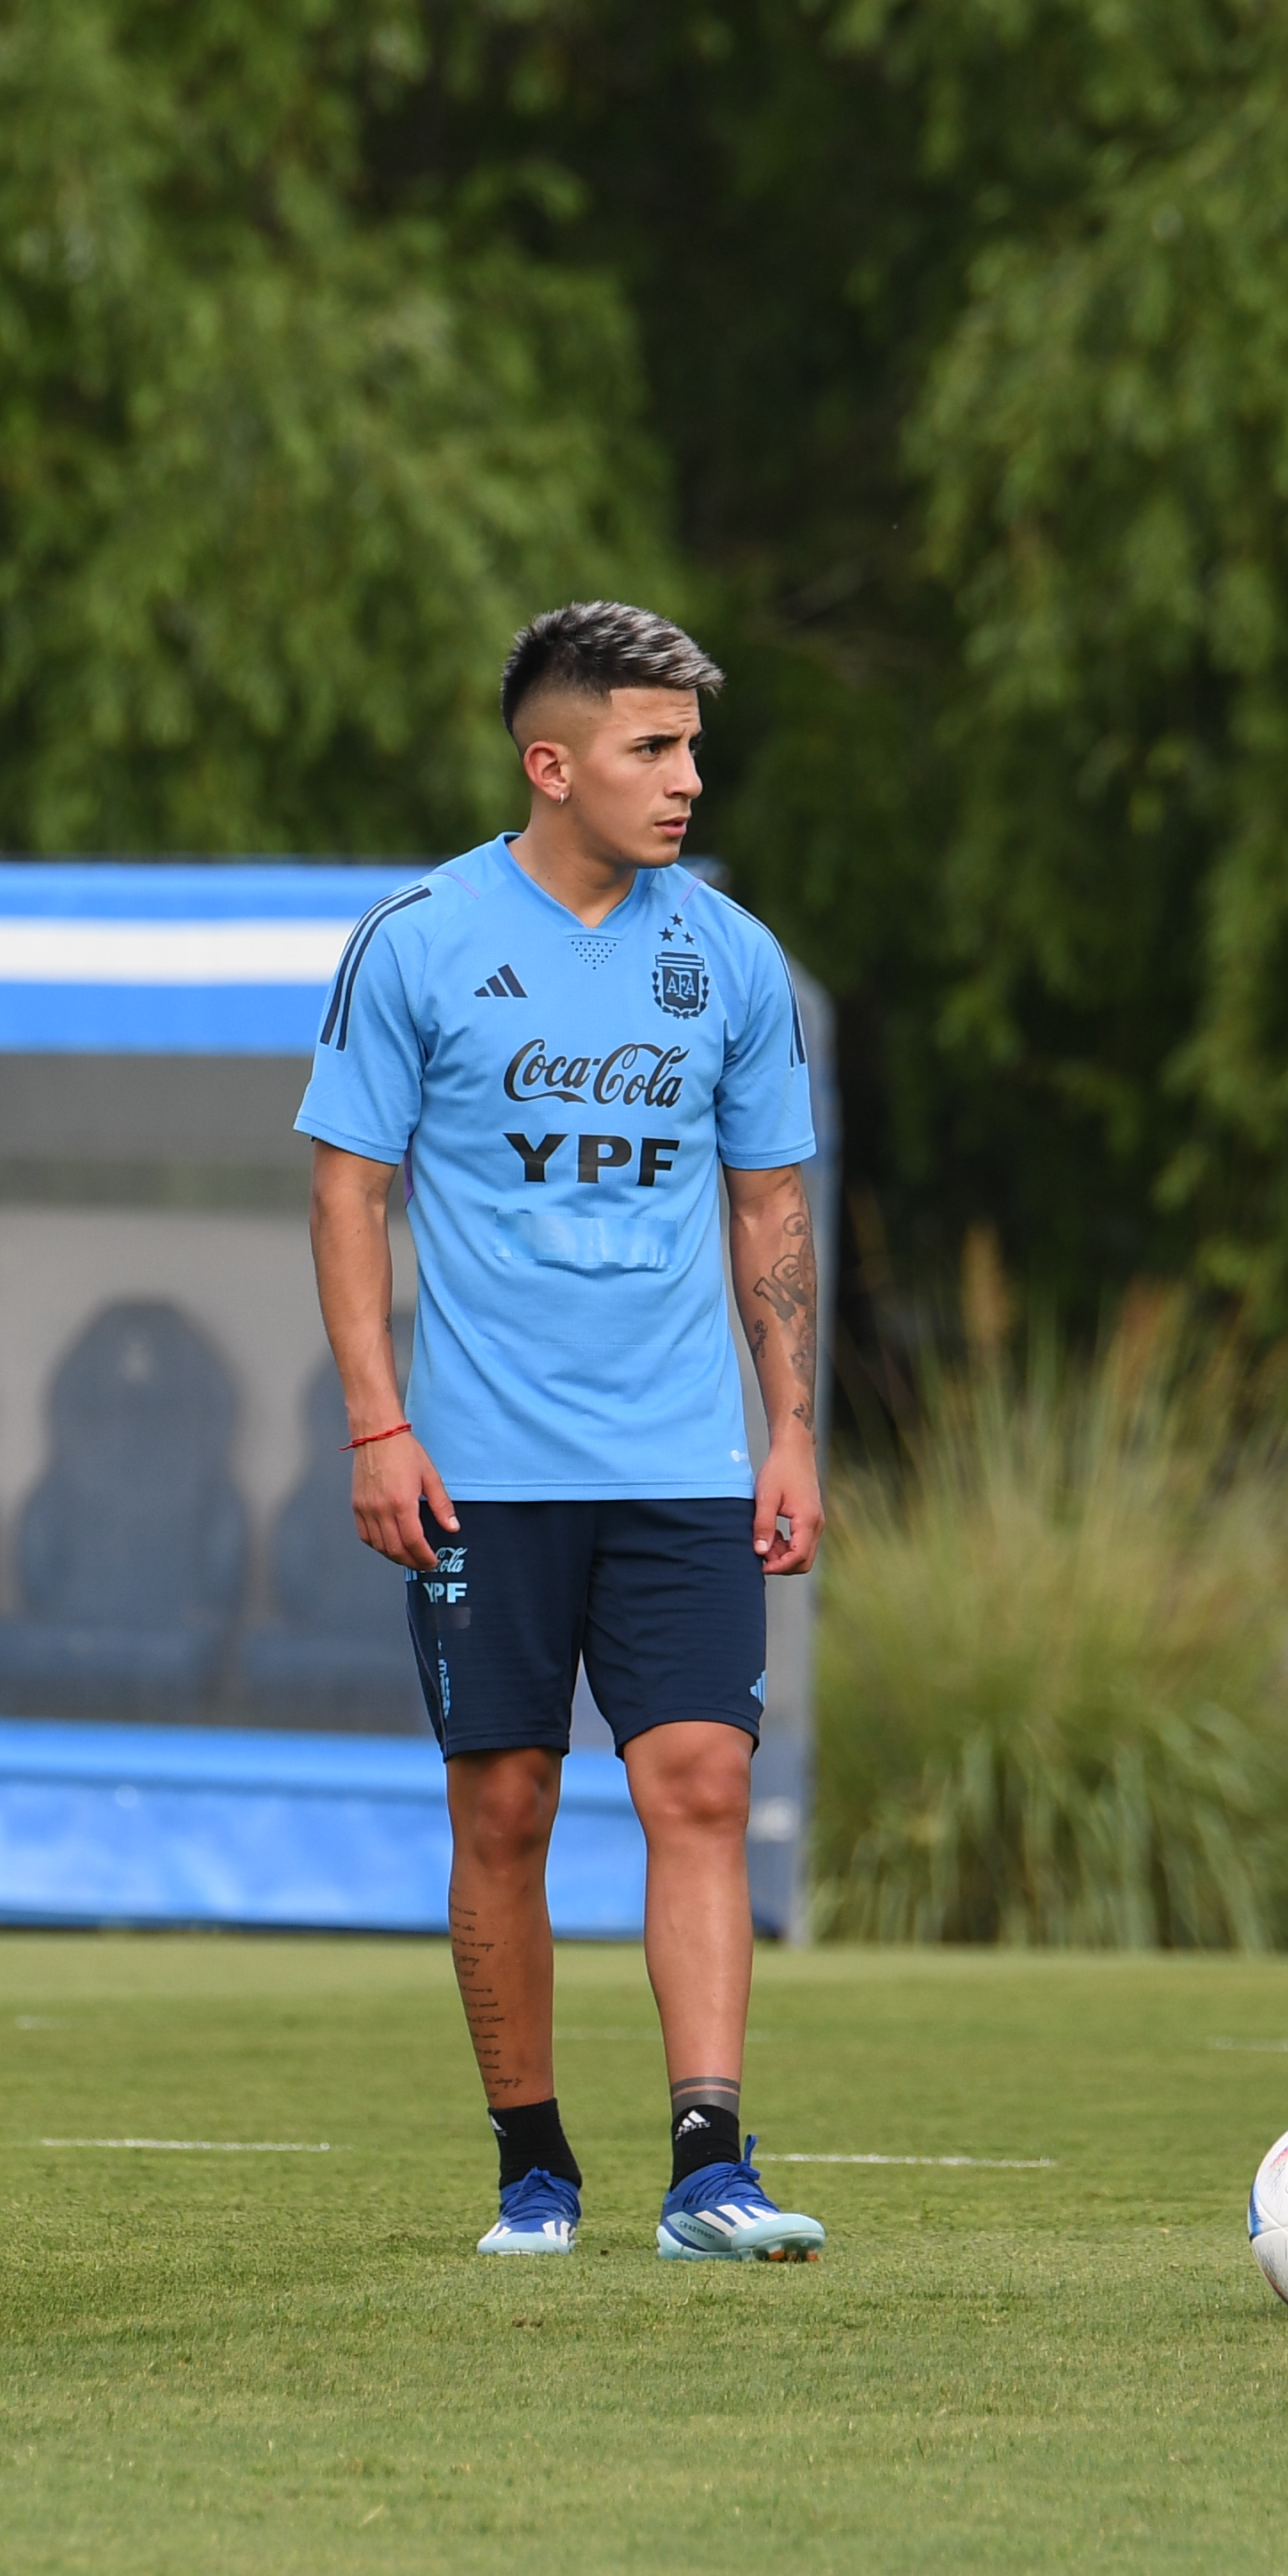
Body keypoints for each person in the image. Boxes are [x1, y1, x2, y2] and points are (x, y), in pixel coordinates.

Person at [297, 601, 829, 2263]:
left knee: (700, 1789)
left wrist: (791, 1431)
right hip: (485, 1466)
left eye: (691, 751)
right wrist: (378, 1428)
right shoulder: (419, 939)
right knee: (506, 1810)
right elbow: (347, 1191)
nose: (683, 784)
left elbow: (770, 1207)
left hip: (680, 1459)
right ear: (554, 763)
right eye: (649, 750)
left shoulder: (730, 958)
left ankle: (710, 2165)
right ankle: (534, 2167)